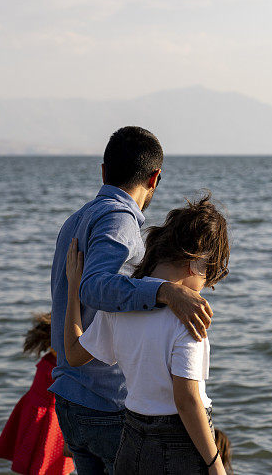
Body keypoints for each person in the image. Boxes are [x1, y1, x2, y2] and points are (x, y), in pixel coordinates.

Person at [49, 126, 214, 475]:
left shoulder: (76, 220)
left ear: (104, 171)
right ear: (154, 178)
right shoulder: (119, 218)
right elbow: (94, 288)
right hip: (104, 402)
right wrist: (165, 291)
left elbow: (76, 294)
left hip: (69, 392)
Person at [63, 193, 231, 475]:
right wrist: (216, 465)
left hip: (132, 441)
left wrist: (74, 288)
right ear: (197, 261)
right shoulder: (188, 312)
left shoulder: (120, 303)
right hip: (179, 445)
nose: (204, 285)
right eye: (209, 274)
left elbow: (73, 353)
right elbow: (187, 400)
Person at [0, 312, 75, 475]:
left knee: (40, 462)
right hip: (46, 417)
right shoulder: (59, 366)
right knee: (43, 462)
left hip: (37, 412)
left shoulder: (51, 360)